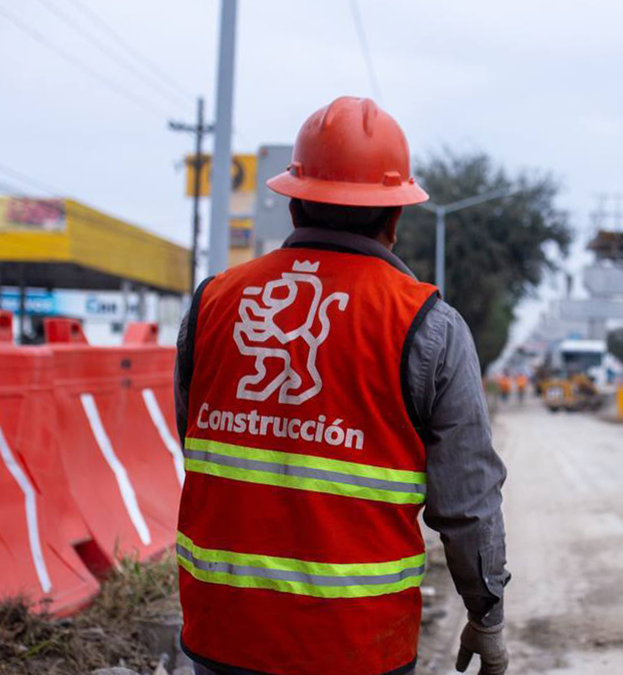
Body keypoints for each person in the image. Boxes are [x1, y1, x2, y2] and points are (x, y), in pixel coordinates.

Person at [174, 97, 510, 675]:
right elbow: (467, 502)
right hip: (358, 645)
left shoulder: (213, 303)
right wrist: (487, 616)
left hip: (222, 633)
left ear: (294, 203)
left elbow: (195, 439)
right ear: (395, 218)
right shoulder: (427, 324)